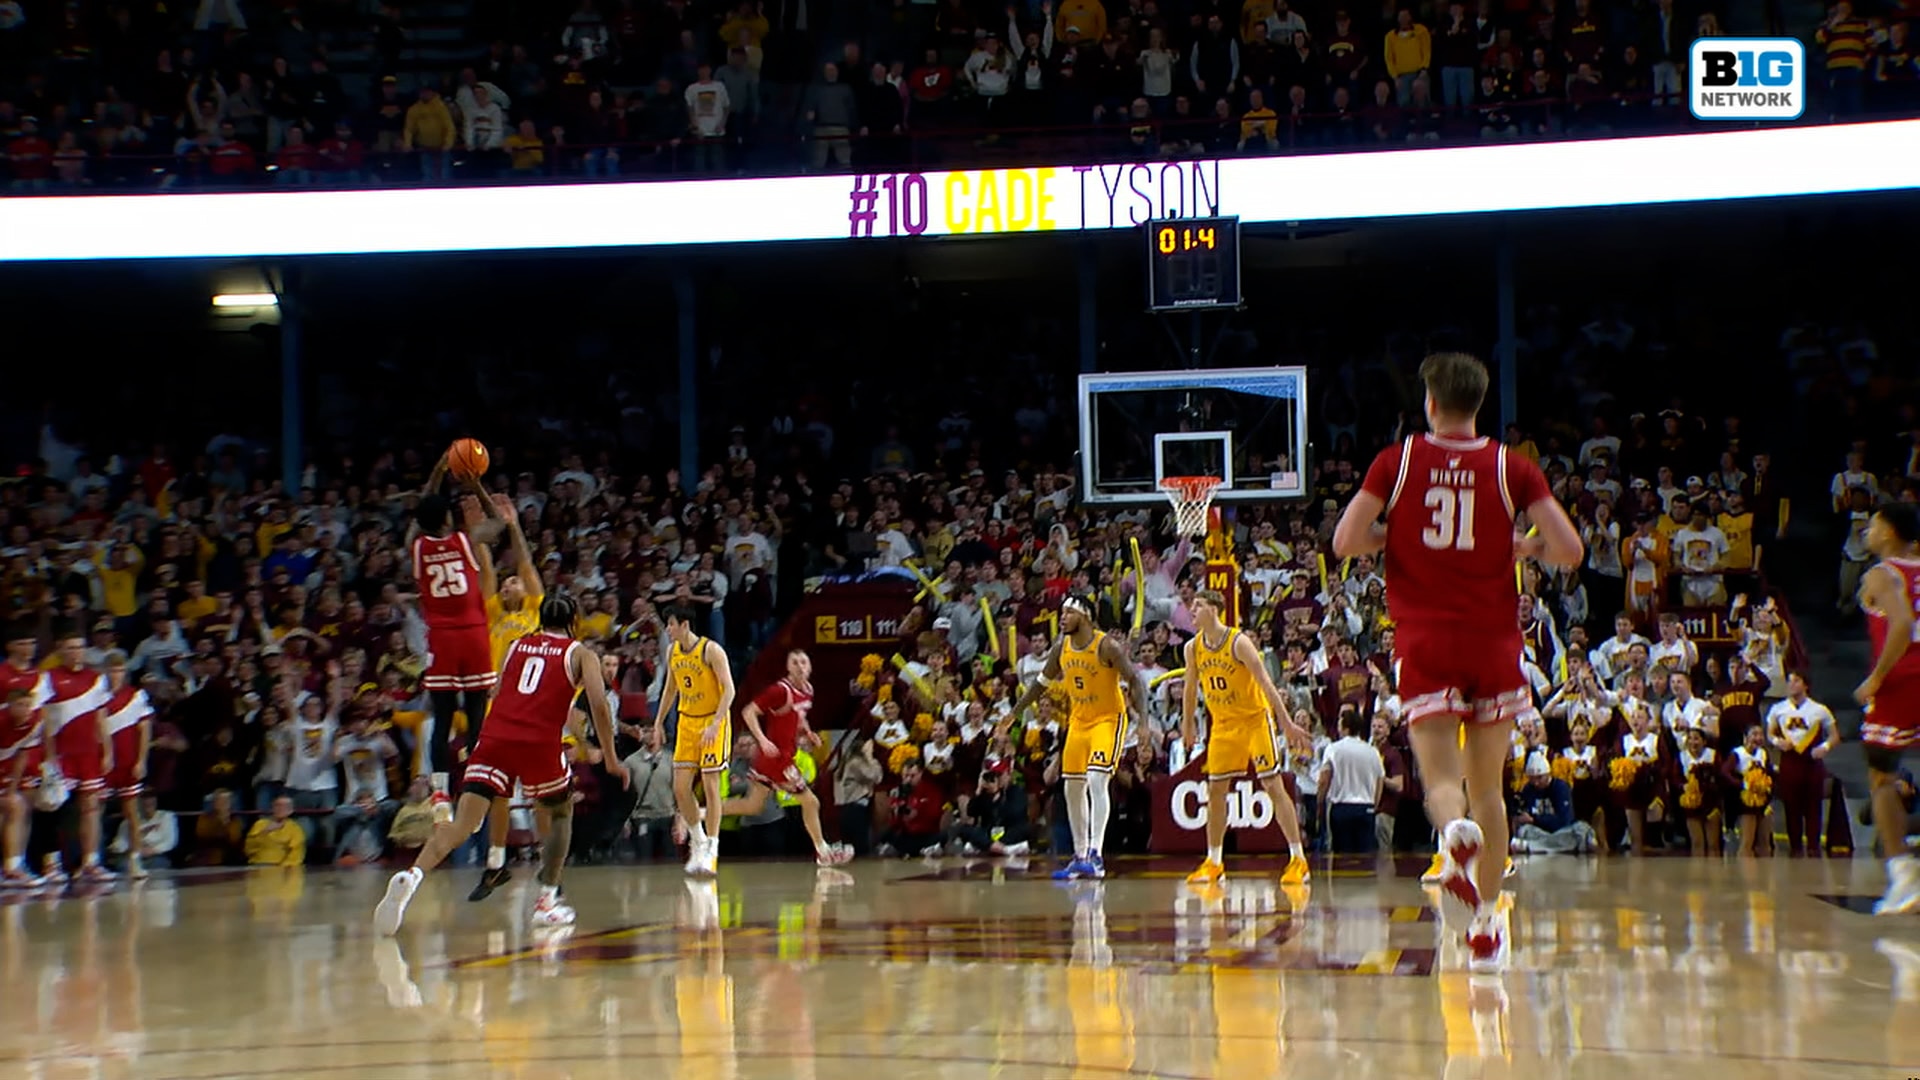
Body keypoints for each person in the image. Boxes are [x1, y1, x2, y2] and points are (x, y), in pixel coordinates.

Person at [1332, 352, 1581, 974]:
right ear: (1477, 404)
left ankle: (1452, 839)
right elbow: (1570, 551)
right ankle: (1487, 925)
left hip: (1426, 640)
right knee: (1488, 790)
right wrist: (1522, 545)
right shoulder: (1512, 467)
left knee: (1443, 785)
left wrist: (1397, 533)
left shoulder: (1398, 460)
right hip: (1494, 641)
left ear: (1431, 404)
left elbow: (1345, 542)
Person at [375, 594, 627, 935]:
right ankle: (547, 902)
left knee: (462, 824)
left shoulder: (517, 645)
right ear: (575, 621)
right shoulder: (581, 653)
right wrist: (611, 758)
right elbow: (598, 706)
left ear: (540, 617)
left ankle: (412, 876)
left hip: (495, 737)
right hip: (538, 741)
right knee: (560, 811)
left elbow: (497, 691)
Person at [1009, 594, 1146, 880]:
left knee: (1097, 779)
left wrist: (1143, 721)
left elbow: (1134, 679)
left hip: (1108, 720)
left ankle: (1096, 854)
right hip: (1078, 722)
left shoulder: (1106, 645)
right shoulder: (1060, 648)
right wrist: (1015, 712)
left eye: (1068, 613)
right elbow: (1041, 684)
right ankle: (1080, 854)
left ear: (1084, 616)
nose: (1062, 618)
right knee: (1072, 788)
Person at [1180, 588, 1311, 884]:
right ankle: (1214, 862)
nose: (1192, 610)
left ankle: (1298, 859)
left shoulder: (1239, 642)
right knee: (1215, 791)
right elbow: (1190, 689)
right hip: (1223, 725)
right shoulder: (1193, 648)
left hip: (1254, 720)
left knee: (1272, 785)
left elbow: (1266, 682)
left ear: (1214, 609)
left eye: (1198, 605)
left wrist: (1286, 723)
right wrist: (1188, 725)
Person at [409, 468, 501, 824]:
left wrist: (435, 473)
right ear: (448, 518)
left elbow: (422, 509)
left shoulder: (417, 547)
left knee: (442, 719)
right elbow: (497, 523)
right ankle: (475, 789)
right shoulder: (466, 540)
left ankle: (441, 793)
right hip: (473, 635)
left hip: (441, 638)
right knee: (478, 718)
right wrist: (475, 484)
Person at [469, 491, 542, 903]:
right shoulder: (494, 613)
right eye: (507, 580)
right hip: (498, 714)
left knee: (546, 796)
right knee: (497, 792)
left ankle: (550, 869)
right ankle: (496, 865)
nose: (510, 582)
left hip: (532, 714)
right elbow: (484, 571)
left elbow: (526, 563)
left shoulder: (534, 611)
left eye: (513, 579)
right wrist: (478, 532)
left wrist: (513, 526)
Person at [716, 649, 851, 867]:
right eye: (795, 662)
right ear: (788, 667)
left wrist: (808, 733)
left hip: (781, 756)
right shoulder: (780, 690)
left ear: (810, 666)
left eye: (803, 662)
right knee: (811, 802)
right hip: (777, 760)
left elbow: (799, 718)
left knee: (752, 806)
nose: (800, 666)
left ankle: (698, 814)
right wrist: (762, 740)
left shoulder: (808, 690)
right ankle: (823, 853)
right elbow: (748, 712)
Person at [1853, 501, 1920, 914]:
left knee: (1880, 778)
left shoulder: (1881, 573)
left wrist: (1875, 678)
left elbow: (1901, 624)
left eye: (1874, 524)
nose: (1867, 531)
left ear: (1891, 532)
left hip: (1901, 678)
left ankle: (1903, 875)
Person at [656, 604, 736, 877]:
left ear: (685, 624)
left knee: (711, 784)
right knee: (680, 788)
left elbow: (730, 690)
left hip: (713, 721)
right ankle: (698, 840)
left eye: (671, 624)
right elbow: (670, 689)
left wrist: (715, 724)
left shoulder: (711, 650)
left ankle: (712, 847)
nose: (667, 629)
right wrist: (657, 723)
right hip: (687, 721)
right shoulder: (672, 652)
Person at [46, 627, 115, 882]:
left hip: (88, 754)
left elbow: (101, 719)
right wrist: (50, 756)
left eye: (80, 647)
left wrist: (107, 751)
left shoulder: (96, 678)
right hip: (61, 754)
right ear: (61, 649)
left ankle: (90, 862)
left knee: (91, 807)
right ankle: (51, 864)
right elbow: (43, 721)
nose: (77, 652)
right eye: (71, 647)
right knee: (55, 809)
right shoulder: (49, 678)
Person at [100, 654, 154, 878]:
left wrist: (142, 760)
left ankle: (135, 859)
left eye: (120, 670)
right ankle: (95, 860)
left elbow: (144, 730)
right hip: (104, 763)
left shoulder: (135, 696)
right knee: (96, 811)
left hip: (128, 761)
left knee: (131, 812)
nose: (116, 675)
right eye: (112, 671)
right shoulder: (98, 697)